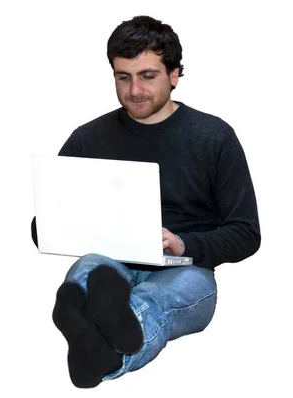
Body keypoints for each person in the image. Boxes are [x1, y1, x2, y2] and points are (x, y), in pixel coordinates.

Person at [30, 15, 261, 388]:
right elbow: (43, 229)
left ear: (174, 74)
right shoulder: (88, 139)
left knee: (155, 296)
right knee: (89, 268)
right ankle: (97, 333)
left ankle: (98, 345)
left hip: (185, 269)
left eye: (147, 76)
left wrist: (183, 243)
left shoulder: (214, 137)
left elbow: (247, 234)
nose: (134, 89)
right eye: (124, 77)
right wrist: (56, 224)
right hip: (112, 263)